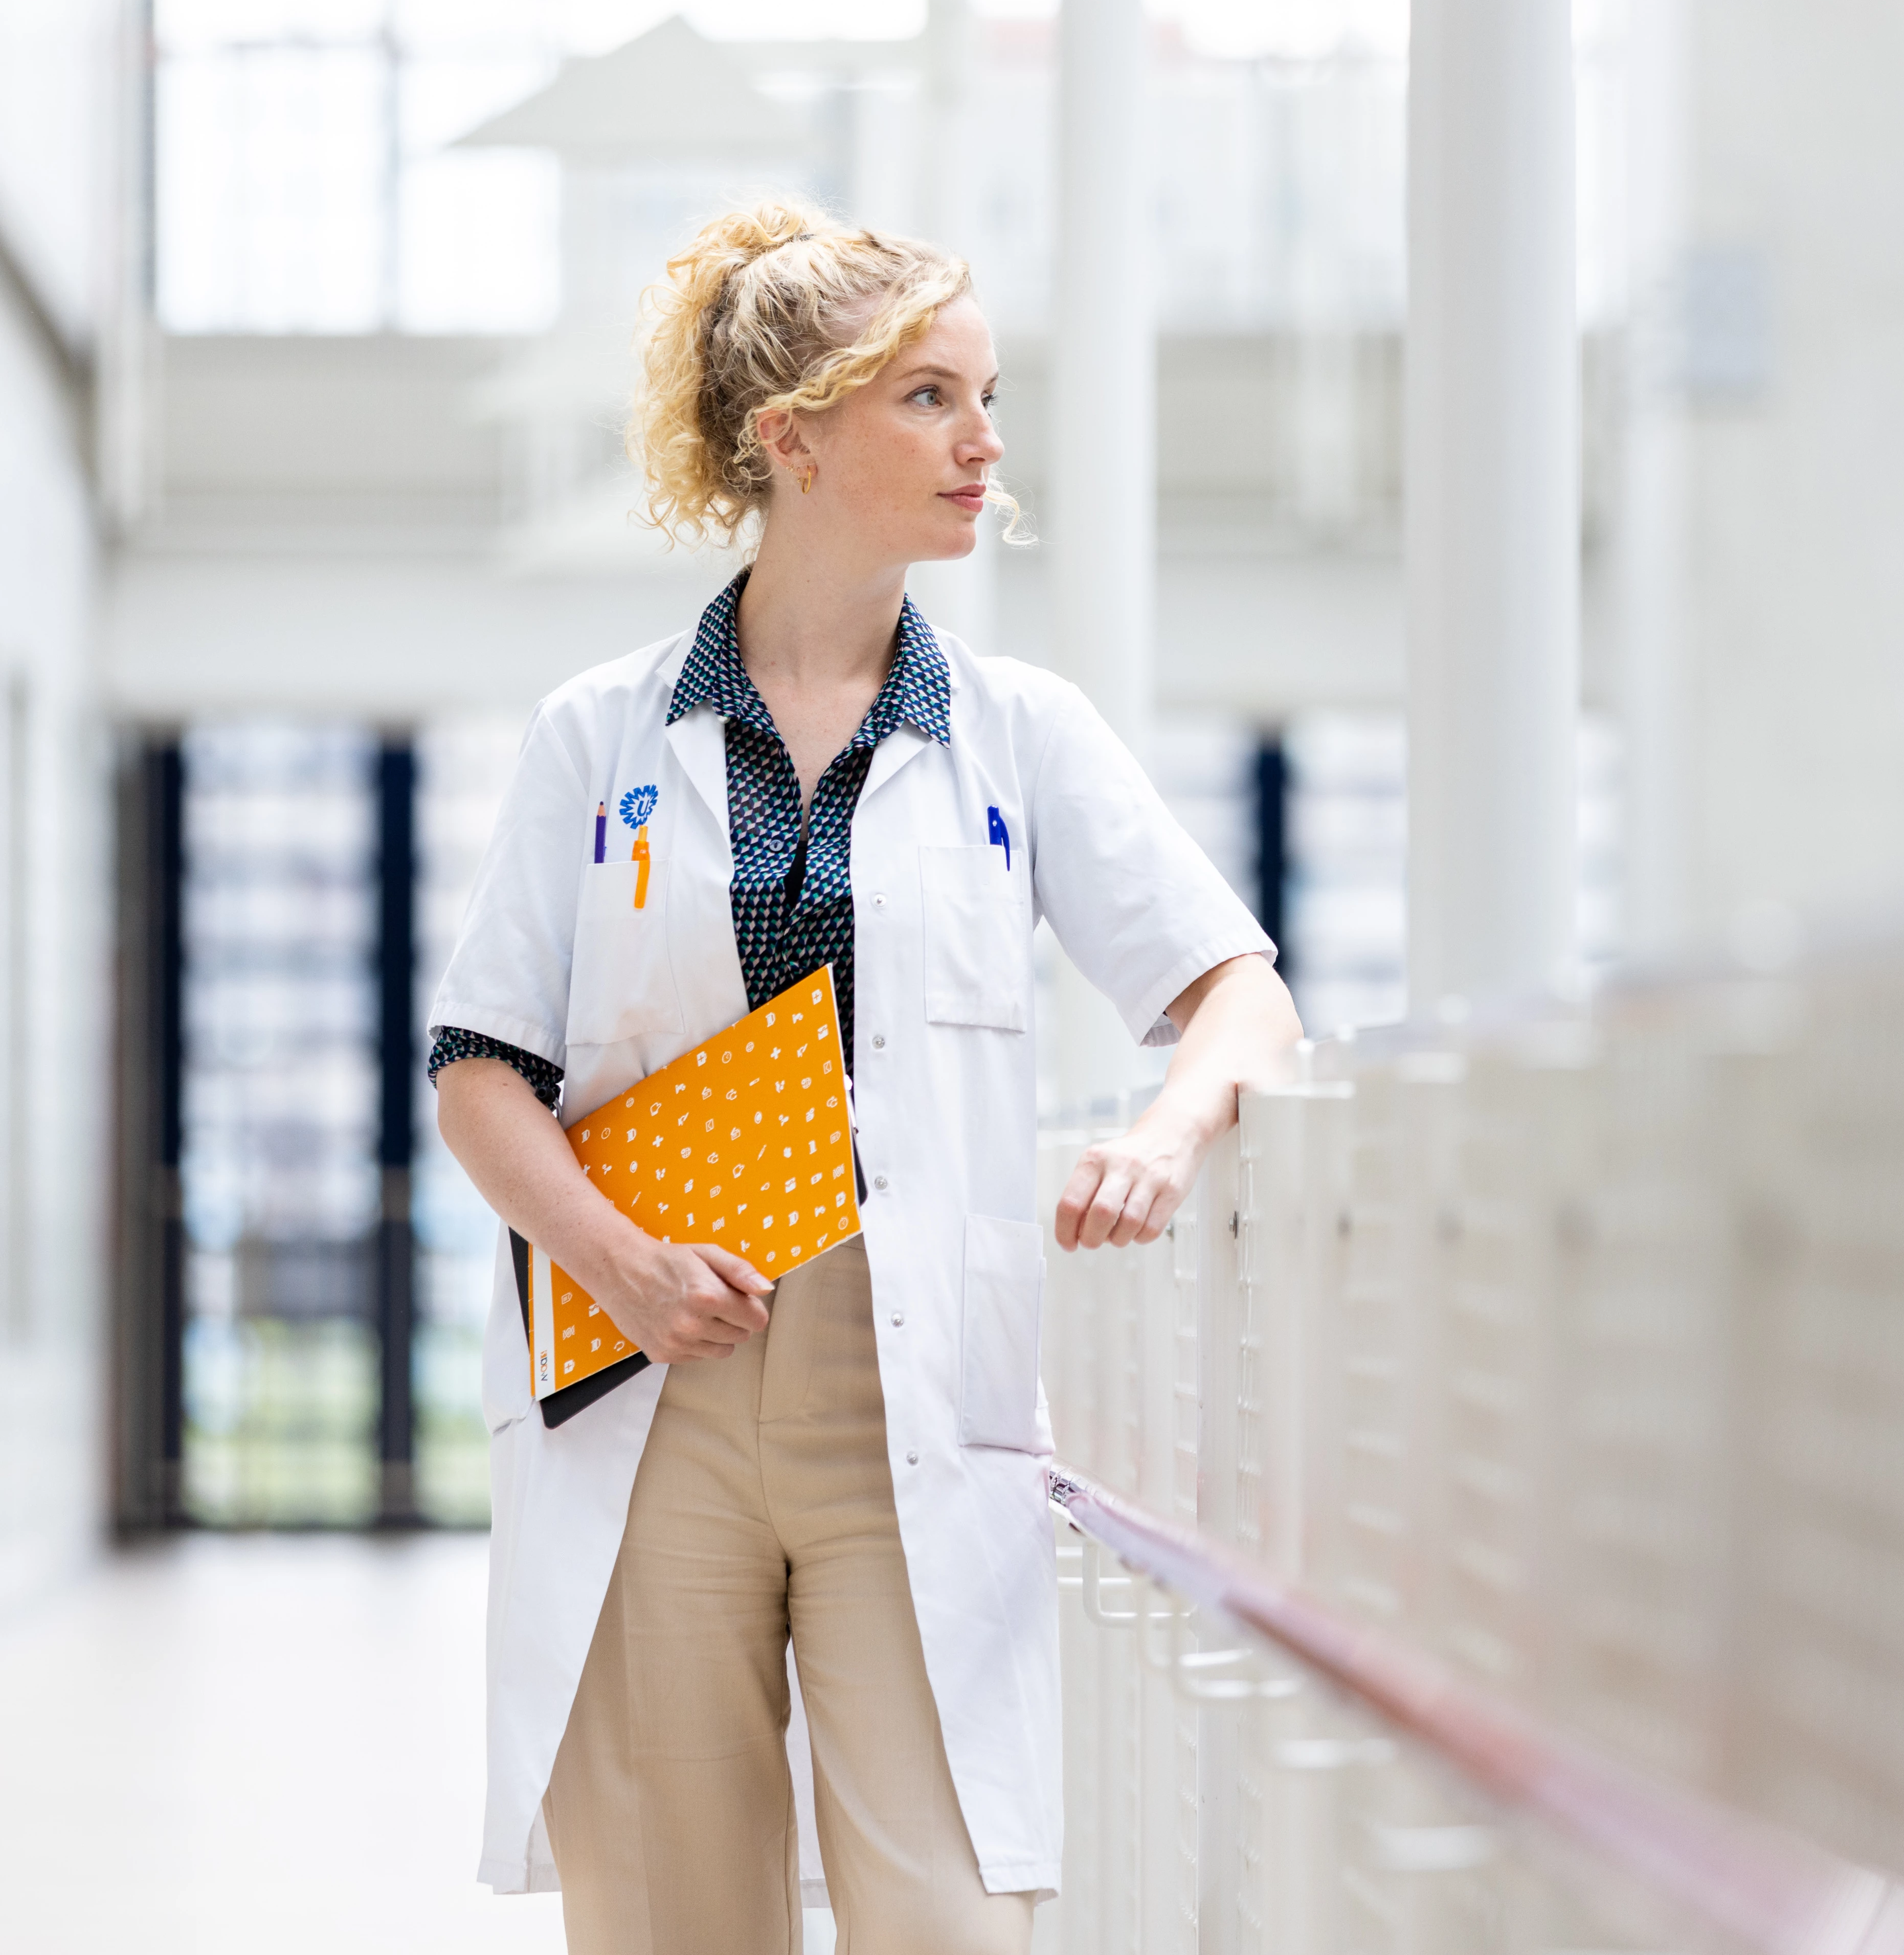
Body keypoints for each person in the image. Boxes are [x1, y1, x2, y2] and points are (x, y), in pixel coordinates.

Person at [429, 198, 1301, 1955]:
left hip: (914, 1383)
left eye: (989, 398)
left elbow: (1242, 994)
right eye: (931, 399)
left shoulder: (1019, 732)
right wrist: (618, 1257)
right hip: (658, 1378)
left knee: (955, 1913)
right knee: (681, 1914)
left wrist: (1164, 1128)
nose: (986, 444)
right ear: (793, 435)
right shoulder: (600, 736)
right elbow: (478, 1072)